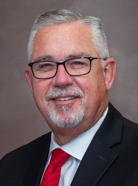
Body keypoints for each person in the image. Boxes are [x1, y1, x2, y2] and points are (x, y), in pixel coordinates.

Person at [0, 9, 138, 186]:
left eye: (77, 63)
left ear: (107, 74)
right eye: (46, 65)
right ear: (30, 81)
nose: (61, 80)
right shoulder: (9, 167)